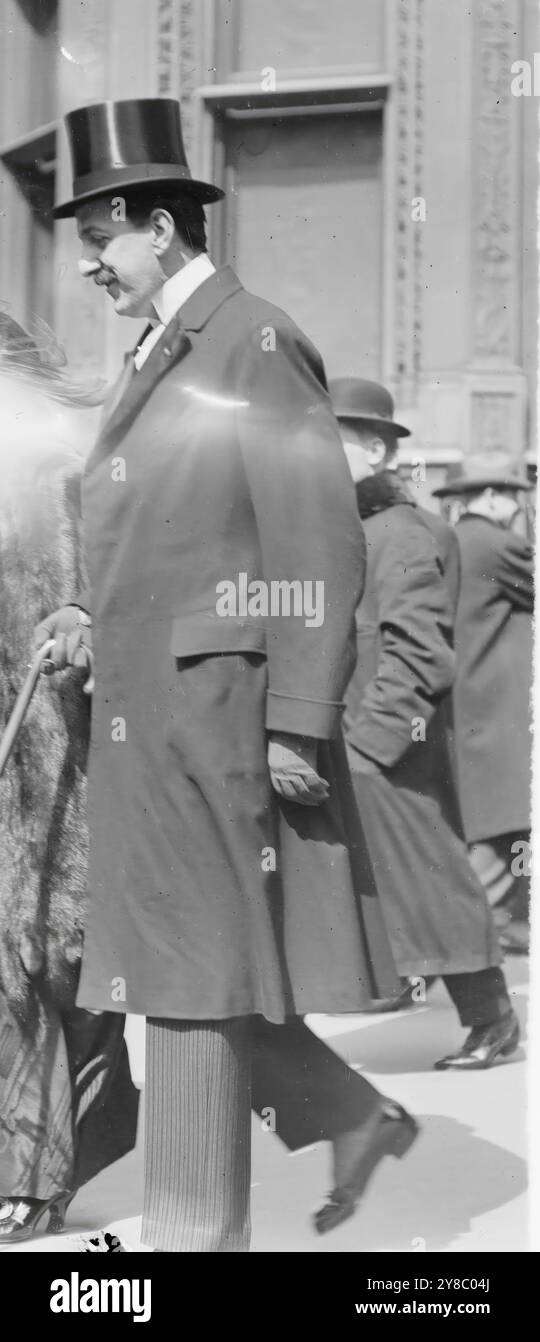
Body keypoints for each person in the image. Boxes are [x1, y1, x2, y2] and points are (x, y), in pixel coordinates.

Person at [33, 98, 418, 1251]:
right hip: (155, 716)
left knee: (193, 980)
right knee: (175, 973)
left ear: (159, 226)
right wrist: (90, 614)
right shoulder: (167, 348)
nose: (91, 267)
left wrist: (298, 722)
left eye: (101, 240)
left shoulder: (251, 339)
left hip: (219, 719)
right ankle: (297, 1156)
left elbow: (315, 538)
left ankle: (194, 1243)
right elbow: (175, 537)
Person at [331, 377, 520, 1071]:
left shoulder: (402, 532)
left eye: (334, 439)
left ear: (376, 450)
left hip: (387, 743)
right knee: (398, 879)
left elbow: (419, 650)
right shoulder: (360, 528)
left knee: (432, 878)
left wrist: (372, 745)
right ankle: (406, 983)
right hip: (361, 738)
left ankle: (493, 1022)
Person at [0, 314, 139, 1246]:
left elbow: (120, 590)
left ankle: (37, 1167)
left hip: (51, 758)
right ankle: (48, 1153)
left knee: (44, 968)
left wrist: (83, 619)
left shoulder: (61, 471)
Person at [433, 453, 534, 953]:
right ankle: (479, 933)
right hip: (500, 712)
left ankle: (501, 926)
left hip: (466, 707)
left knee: (490, 823)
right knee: (503, 823)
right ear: (492, 497)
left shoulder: (450, 541)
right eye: (514, 497)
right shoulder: (498, 545)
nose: (518, 507)